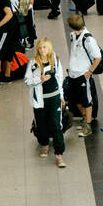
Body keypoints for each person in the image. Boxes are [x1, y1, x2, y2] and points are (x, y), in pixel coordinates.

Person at [25, 38, 67, 167]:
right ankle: (44, 144)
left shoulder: (55, 60)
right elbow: (27, 81)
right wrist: (39, 79)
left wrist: (61, 95)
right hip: (40, 99)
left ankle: (59, 153)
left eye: (45, 47)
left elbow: (60, 78)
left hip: (53, 97)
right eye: (40, 47)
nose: (42, 50)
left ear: (49, 48)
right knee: (41, 123)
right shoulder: (33, 63)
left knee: (55, 123)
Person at [66, 15, 101, 136]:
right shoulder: (72, 36)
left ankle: (88, 125)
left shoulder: (88, 39)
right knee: (75, 100)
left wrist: (89, 72)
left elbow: (98, 57)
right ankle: (84, 117)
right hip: (72, 74)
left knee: (86, 101)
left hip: (82, 75)